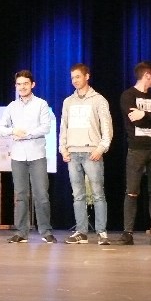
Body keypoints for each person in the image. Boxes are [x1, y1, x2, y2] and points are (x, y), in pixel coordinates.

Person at [0, 70, 55, 244]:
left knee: (41, 194)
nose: (22, 87)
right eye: (19, 84)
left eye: (25, 84)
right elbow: (0, 128)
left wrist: (26, 134)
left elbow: (46, 127)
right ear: (16, 86)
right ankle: (21, 232)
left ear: (32, 85)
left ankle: (45, 231)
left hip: (37, 155)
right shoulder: (12, 106)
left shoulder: (41, 104)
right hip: (18, 156)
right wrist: (13, 131)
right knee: (21, 195)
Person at [115, 62, 151, 246]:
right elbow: (134, 121)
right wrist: (149, 119)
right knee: (132, 191)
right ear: (147, 75)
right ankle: (127, 233)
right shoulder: (128, 96)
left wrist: (144, 115)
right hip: (137, 148)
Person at [59, 63, 112, 245]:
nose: (75, 80)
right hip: (73, 153)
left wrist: (101, 148)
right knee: (78, 195)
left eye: (78, 77)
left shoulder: (99, 100)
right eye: (72, 78)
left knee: (97, 193)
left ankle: (101, 232)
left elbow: (107, 127)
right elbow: (63, 127)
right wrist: (63, 148)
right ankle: (81, 232)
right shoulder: (68, 101)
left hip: (91, 152)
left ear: (87, 76)